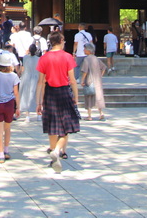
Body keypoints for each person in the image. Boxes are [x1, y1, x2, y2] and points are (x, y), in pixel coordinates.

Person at [36, 30, 79, 173]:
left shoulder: (44, 58)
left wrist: (38, 102)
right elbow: (72, 80)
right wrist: (76, 97)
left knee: (52, 124)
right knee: (66, 125)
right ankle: (58, 150)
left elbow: (40, 82)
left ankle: (54, 151)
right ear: (61, 40)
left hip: (49, 92)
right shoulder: (67, 57)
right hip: (64, 92)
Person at [0, 53, 21, 163]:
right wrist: (18, 107)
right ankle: (6, 150)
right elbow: (16, 93)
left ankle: (0, 154)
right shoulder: (14, 76)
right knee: (7, 128)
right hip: (10, 104)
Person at [80, 43, 107, 121]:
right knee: (98, 97)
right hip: (97, 81)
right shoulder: (96, 58)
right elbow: (104, 67)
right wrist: (100, 75)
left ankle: (89, 115)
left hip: (89, 80)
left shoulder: (86, 59)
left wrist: (82, 80)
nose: (84, 50)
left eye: (85, 49)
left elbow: (85, 71)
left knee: (88, 97)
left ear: (88, 50)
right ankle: (101, 113)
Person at [19, 41, 41, 121]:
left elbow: (23, 67)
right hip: (36, 77)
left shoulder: (25, 57)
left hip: (26, 77)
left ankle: (27, 115)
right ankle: (38, 114)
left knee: (26, 96)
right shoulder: (39, 59)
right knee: (37, 96)